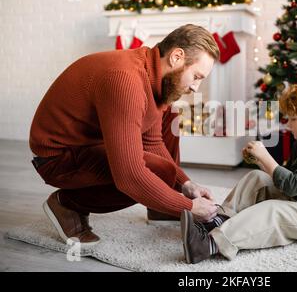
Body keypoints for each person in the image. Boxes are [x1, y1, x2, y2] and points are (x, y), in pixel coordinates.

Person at [29, 24, 220, 246]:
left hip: (93, 142)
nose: (196, 87)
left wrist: (186, 185)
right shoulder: (125, 80)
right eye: (196, 76)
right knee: (159, 172)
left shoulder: (154, 76)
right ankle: (67, 204)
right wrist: (188, 207)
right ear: (177, 57)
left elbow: (152, 141)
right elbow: (129, 175)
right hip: (59, 157)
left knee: (171, 119)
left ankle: (159, 205)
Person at [181, 84, 297, 264]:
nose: (287, 124)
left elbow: (293, 186)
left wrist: (266, 156)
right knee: (257, 177)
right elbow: (288, 177)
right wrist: (260, 161)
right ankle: (218, 220)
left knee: (274, 210)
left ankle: (209, 244)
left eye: (293, 119)